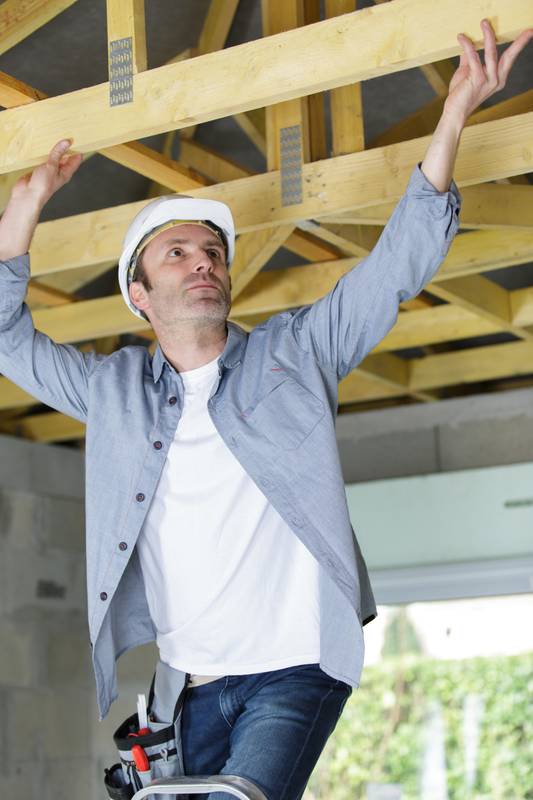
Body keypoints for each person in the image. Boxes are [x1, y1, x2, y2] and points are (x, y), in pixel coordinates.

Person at [0, 19, 531, 800]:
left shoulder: (295, 354)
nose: (203, 264)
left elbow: (396, 265)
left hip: (295, 666)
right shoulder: (110, 392)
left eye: (212, 253)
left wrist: (453, 111)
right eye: (178, 254)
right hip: (186, 683)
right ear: (140, 294)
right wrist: (24, 211)